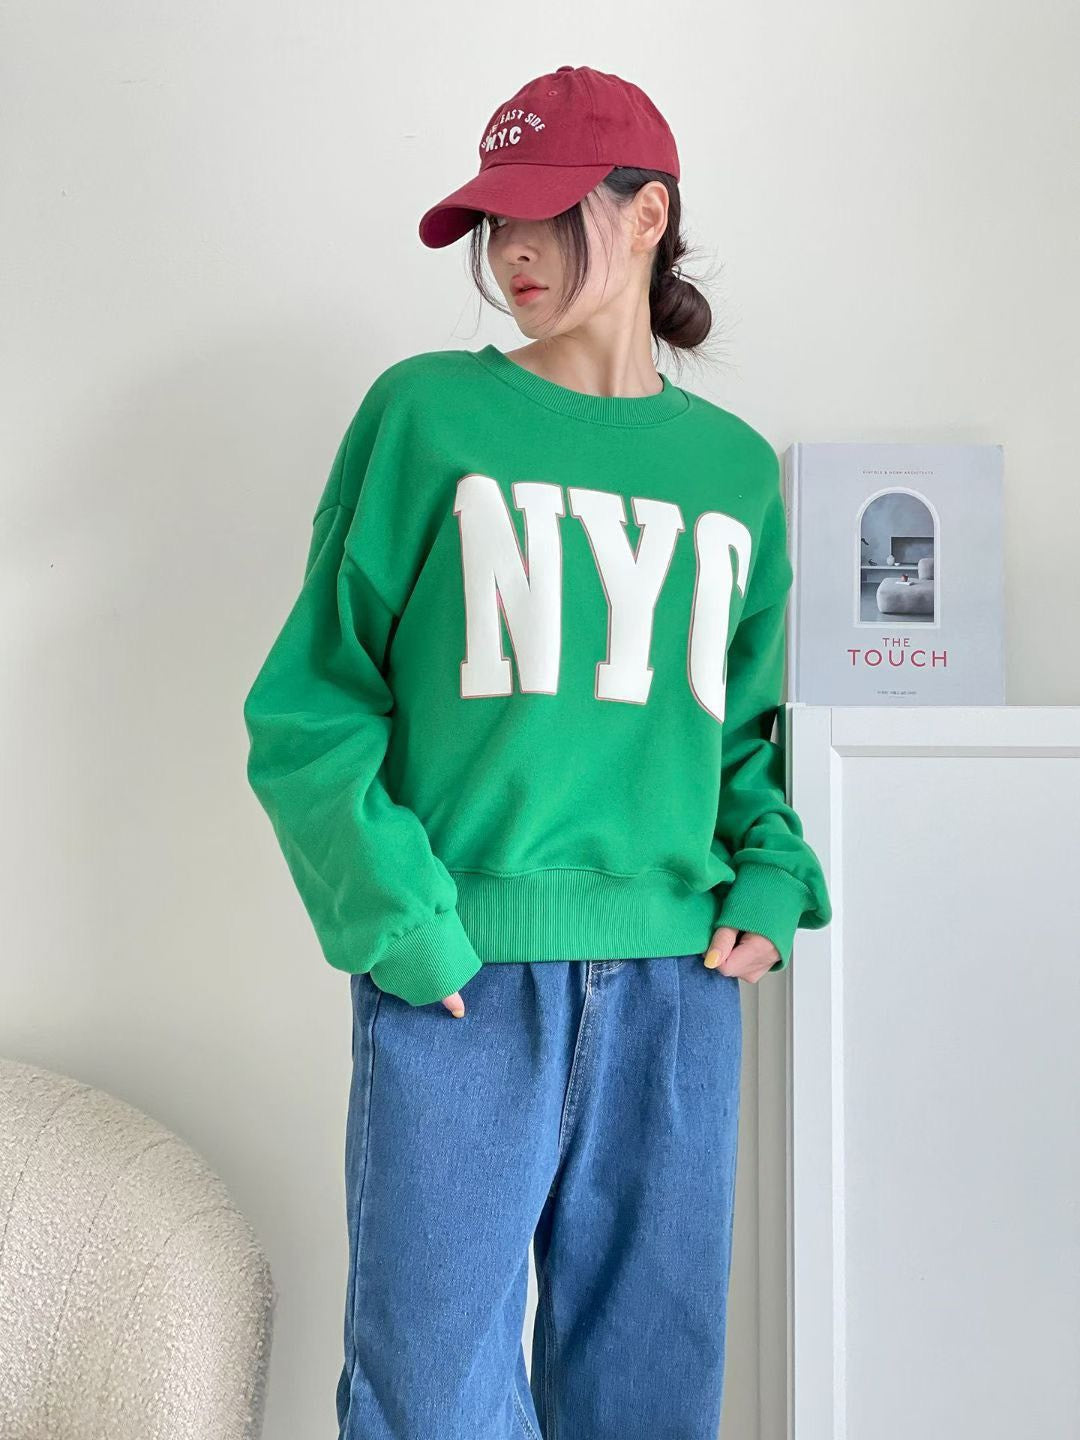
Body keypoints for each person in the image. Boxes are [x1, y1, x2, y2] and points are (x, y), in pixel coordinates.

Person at [242, 63, 832, 1440]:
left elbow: (742, 731)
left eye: (548, 213)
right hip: (464, 979)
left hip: (680, 987)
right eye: (494, 222)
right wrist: (403, 923)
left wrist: (769, 876)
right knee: (429, 1397)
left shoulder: (735, 473)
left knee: (650, 1395)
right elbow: (311, 709)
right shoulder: (425, 416)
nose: (512, 249)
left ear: (648, 216)